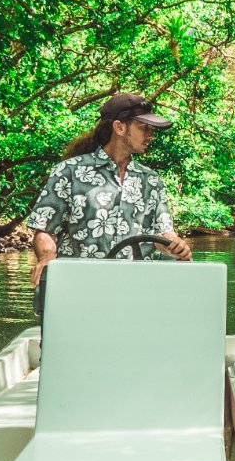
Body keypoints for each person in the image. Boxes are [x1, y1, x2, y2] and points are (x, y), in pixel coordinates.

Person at [25, 93, 193, 319]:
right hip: (78, 294)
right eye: (145, 128)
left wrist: (175, 245)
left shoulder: (151, 180)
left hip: (137, 296)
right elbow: (44, 229)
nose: (151, 135)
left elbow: (163, 234)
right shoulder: (69, 172)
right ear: (119, 127)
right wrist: (46, 256)